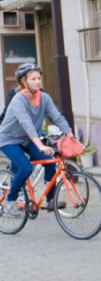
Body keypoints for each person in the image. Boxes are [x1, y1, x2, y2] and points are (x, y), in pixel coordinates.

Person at [0, 63, 74, 218]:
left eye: (39, 78)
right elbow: (26, 123)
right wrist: (40, 145)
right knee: (26, 168)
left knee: (50, 161)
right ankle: (10, 199)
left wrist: (70, 134)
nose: (38, 81)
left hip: (27, 140)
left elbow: (57, 117)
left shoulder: (44, 98)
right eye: (33, 79)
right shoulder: (18, 100)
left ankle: (51, 199)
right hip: (8, 139)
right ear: (24, 82)